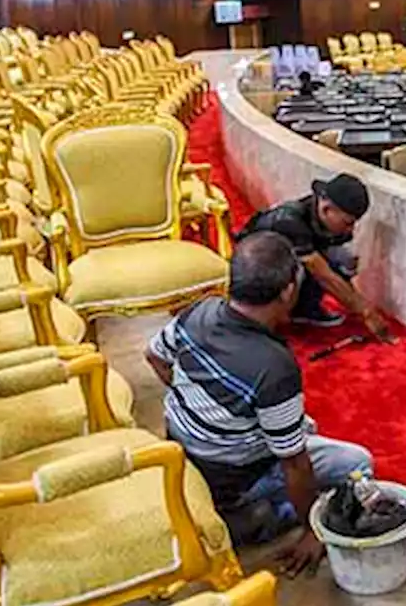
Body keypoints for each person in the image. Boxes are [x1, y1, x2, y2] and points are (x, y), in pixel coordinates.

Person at [146, 232, 373, 576]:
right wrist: (315, 531)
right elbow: (294, 463)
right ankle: (253, 518)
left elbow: (154, 356)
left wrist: (198, 401)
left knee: (296, 427)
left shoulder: (199, 312)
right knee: (357, 463)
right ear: (287, 292)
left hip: (187, 456)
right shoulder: (272, 367)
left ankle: (234, 512)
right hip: (236, 477)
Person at [237, 174, 390, 339]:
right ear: (327, 209)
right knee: (304, 268)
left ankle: (305, 309)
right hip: (256, 269)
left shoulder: (320, 213)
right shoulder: (290, 221)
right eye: (347, 223)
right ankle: (274, 318)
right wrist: (365, 310)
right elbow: (323, 274)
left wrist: (354, 300)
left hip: (286, 257)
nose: (350, 230)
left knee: (344, 256)